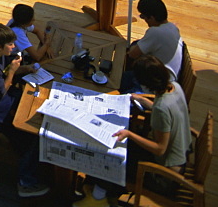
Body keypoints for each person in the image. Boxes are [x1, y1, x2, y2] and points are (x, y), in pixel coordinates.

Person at [80, 55, 191, 206]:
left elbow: (160, 149)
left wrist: (129, 134)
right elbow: (168, 113)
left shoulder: (161, 109)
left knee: (112, 155)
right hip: (181, 158)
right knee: (123, 150)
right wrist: (142, 100)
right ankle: (107, 192)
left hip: (164, 176)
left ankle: (98, 199)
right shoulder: (174, 87)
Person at [0, 24, 49, 199]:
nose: (14, 47)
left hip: (7, 102)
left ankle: (26, 153)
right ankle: (26, 181)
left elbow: (8, 72)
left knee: (35, 110)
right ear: (0, 47)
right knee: (31, 136)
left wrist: (25, 69)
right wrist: (14, 71)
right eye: (10, 45)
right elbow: (2, 91)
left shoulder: (0, 55)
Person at [121, 0, 182, 92]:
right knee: (122, 77)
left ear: (152, 18)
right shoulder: (172, 27)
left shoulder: (155, 32)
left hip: (154, 85)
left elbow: (132, 54)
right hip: (168, 79)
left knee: (116, 78)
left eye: (143, 16)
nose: (144, 20)